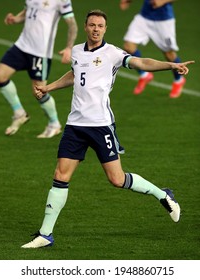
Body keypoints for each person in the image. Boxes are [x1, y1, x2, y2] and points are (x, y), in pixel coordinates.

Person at [21, 9, 194, 248]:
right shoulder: (77, 51)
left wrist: (170, 65)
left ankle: (163, 194)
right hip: (75, 125)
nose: (95, 29)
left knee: (116, 179)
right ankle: (45, 234)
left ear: (105, 29)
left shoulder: (112, 53)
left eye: (100, 26)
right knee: (60, 175)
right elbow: (74, 75)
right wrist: (49, 87)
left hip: (100, 125)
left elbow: (142, 61)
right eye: (92, 25)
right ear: (86, 27)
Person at [0, 0, 78, 138]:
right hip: (22, 46)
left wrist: (69, 47)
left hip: (40, 52)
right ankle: (19, 113)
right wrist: (15, 19)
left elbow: (72, 24)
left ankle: (54, 123)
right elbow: (28, 13)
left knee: (39, 91)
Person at [120, 0, 185, 98]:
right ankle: (144, 75)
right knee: (128, 47)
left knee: (169, 54)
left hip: (163, 20)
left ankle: (179, 80)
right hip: (144, 17)